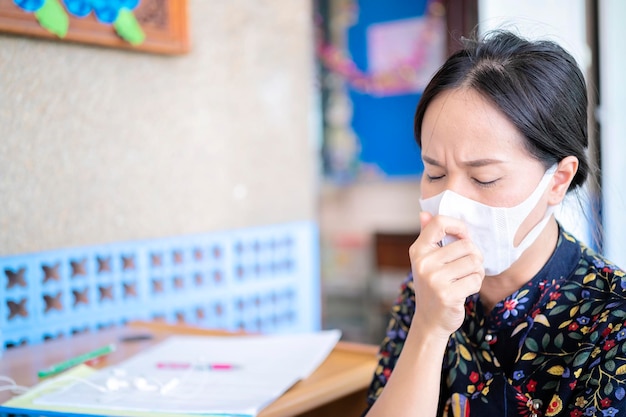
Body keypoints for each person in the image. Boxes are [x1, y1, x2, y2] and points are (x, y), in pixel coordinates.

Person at [362, 30, 626, 417]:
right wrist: (428, 328)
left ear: (558, 179)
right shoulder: (426, 289)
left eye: (484, 178)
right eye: (434, 174)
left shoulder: (613, 319)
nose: (450, 204)